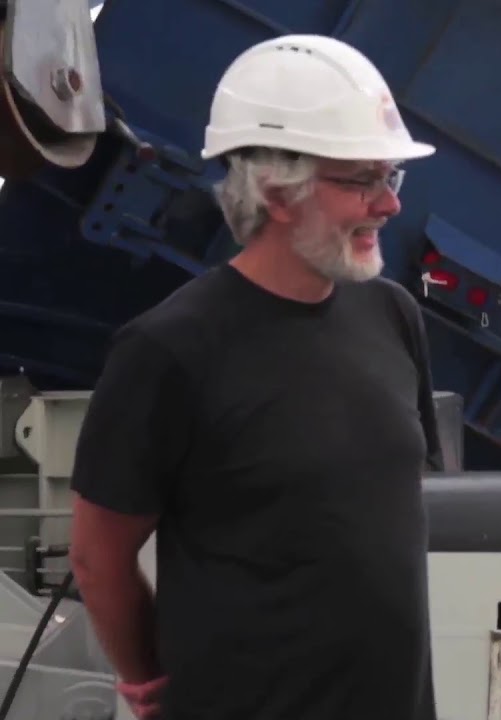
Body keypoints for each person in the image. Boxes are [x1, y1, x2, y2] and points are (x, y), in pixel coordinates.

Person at [66, 34, 445, 720]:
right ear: (276, 192)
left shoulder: (391, 314)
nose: (388, 205)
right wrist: (149, 682)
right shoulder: (168, 351)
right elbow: (98, 556)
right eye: (363, 180)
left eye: (391, 177)